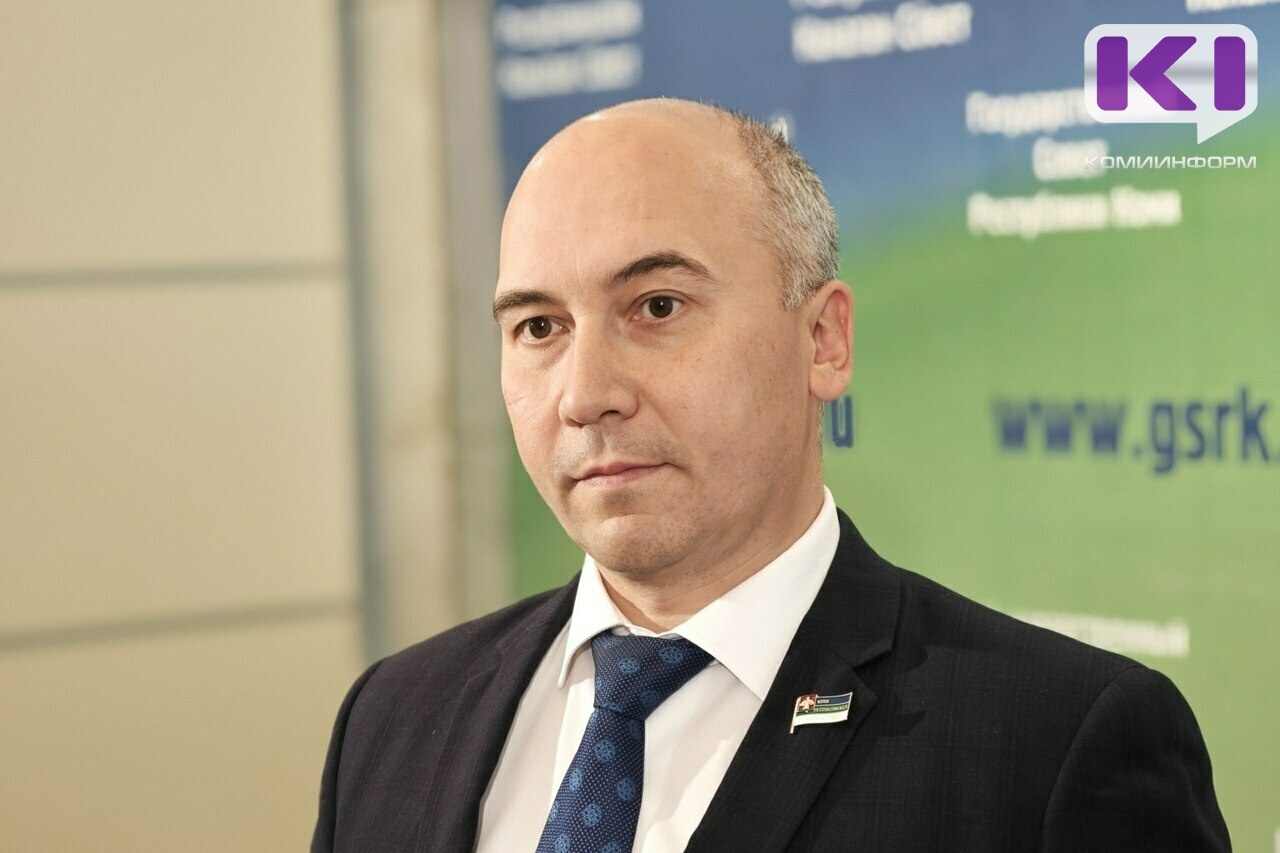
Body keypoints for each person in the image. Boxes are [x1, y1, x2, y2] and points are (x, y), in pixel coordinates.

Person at [312, 99, 1230, 852]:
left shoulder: (1053, 747)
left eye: (657, 306)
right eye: (539, 328)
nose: (585, 395)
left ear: (823, 340)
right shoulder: (392, 717)